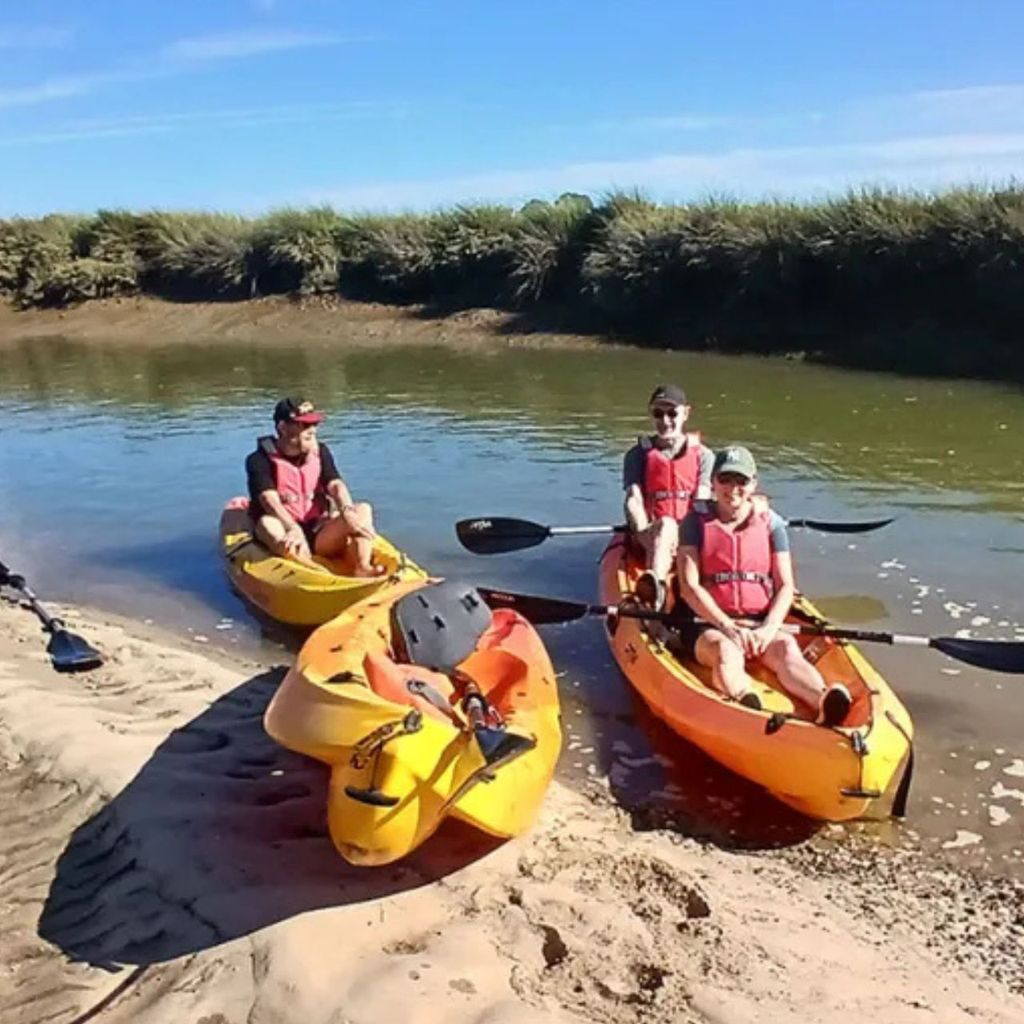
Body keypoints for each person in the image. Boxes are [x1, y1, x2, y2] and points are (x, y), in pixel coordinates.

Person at [674, 445, 852, 727]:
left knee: (786, 649)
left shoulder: (771, 524)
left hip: (758, 621)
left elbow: (784, 586)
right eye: (726, 479)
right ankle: (745, 699)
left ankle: (822, 701)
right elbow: (689, 587)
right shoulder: (694, 523)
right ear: (713, 482)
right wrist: (727, 627)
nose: (733, 488)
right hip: (707, 622)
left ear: (753, 483)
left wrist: (768, 628)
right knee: (726, 652)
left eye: (741, 481)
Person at [245, 397, 383, 576]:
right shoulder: (258, 460)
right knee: (267, 524)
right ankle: (312, 572)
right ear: (282, 427)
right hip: (284, 527)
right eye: (304, 425)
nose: (312, 430)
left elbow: (335, 485)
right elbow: (269, 500)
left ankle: (363, 567)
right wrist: (292, 528)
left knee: (363, 509)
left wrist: (347, 512)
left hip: (318, 530)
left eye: (314, 424)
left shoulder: (320, 452)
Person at [622, 383, 714, 610]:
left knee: (674, 528)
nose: (665, 421)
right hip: (651, 532)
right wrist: (643, 532)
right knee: (666, 525)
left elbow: (702, 498)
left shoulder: (704, 455)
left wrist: (691, 538)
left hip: (689, 535)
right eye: (658, 413)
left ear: (686, 413)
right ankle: (656, 589)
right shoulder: (638, 455)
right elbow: (633, 498)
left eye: (672, 413)